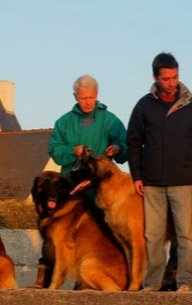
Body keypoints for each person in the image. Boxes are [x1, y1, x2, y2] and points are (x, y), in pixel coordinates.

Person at [32, 74, 128, 288]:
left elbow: (124, 145)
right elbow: (55, 150)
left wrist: (117, 149)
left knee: (98, 235)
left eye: (91, 97)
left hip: (100, 190)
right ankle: (45, 277)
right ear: (75, 96)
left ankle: (86, 280)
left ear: (97, 95)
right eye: (83, 97)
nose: (87, 102)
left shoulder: (110, 120)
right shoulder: (64, 122)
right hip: (70, 187)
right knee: (55, 231)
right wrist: (72, 151)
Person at [127, 52, 192, 292]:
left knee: (186, 236)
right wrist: (137, 176)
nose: (172, 83)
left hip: (184, 181)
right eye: (166, 79)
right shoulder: (144, 105)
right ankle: (152, 283)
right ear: (155, 78)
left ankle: (186, 283)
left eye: (175, 77)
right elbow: (133, 141)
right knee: (153, 237)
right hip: (151, 182)